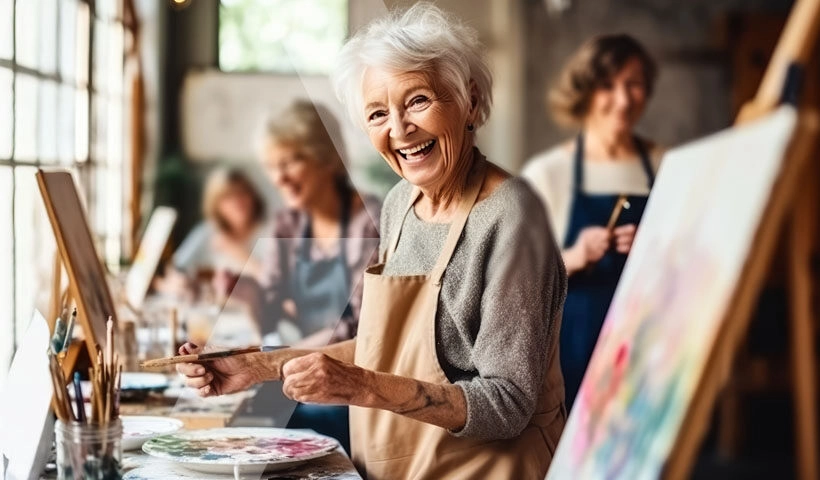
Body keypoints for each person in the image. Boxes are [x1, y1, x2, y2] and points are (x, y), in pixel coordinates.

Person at [177, 4, 567, 478]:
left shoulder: (511, 214)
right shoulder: (400, 202)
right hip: (392, 465)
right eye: (378, 113)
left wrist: (360, 388)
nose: (400, 130)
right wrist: (258, 368)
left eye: (418, 100)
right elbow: (385, 348)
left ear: (469, 97)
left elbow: (507, 404)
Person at [521, 33, 663, 408]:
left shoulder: (668, 165)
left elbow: (696, 263)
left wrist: (654, 248)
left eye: (633, 84)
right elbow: (518, 285)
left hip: (651, 345)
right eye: (607, 85)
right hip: (575, 352)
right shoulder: (548, 173)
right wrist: (574, 257)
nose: (622, 99)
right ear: (585, 92)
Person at [156, 167, 269, 298]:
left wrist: (236, 251)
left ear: (253, 196)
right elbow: (177, 267)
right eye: (228, 197)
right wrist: (175, 283)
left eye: (242, 193)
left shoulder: (270, 231)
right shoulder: (208, 232)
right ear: (216, 205)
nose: (237, 203)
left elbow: (273, 281)